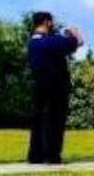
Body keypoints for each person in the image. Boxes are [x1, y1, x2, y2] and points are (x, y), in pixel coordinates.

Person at [26, 11, 82, 165]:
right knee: (55, 119)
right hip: (56, 83)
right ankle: (52, 155)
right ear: (47, 22)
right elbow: (75, 43)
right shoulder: (51, 41)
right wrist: (73, 33)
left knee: (39, 119)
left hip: (38, 82)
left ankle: (36, 155)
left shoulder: (32, 42)